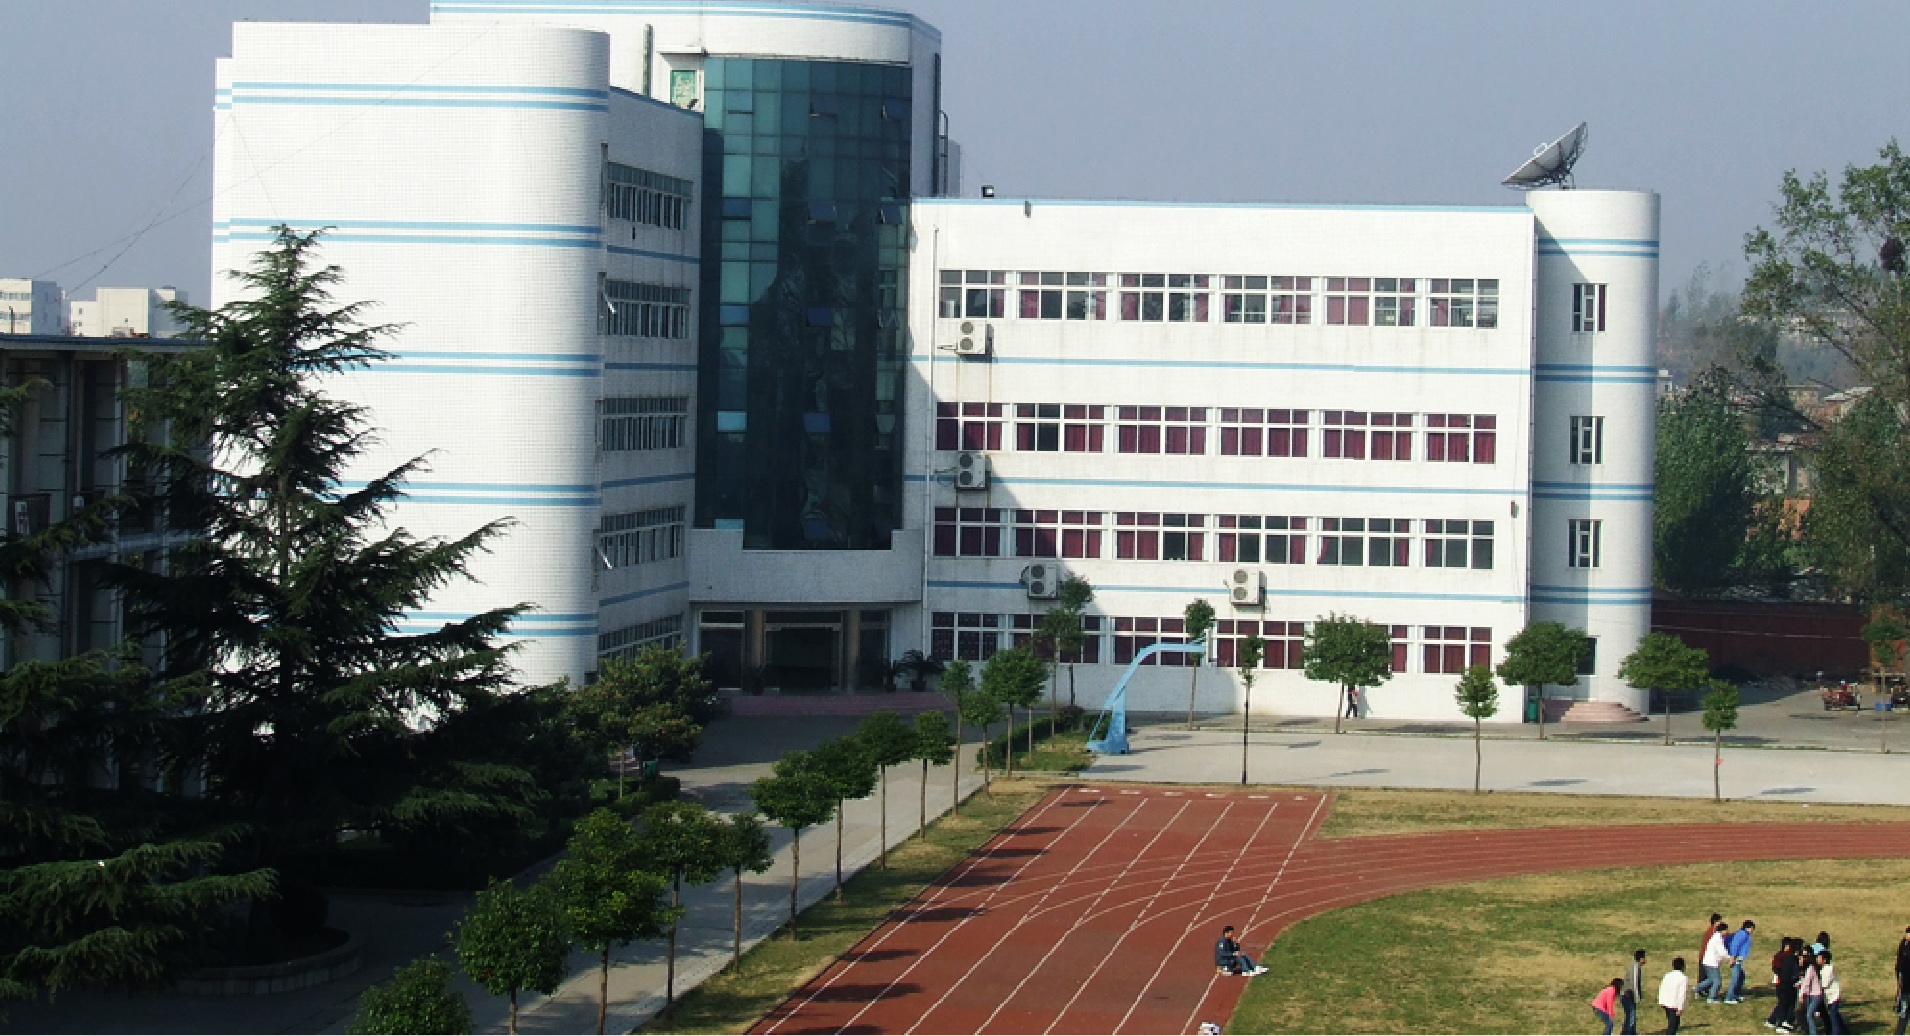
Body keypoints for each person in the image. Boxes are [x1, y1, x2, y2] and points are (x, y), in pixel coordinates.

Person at [1770, 936, 1802, 1032]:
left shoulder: (1786, 957)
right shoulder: (1790, 959)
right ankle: (1781, 1024)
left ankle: (1784, 1022)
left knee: (1787, 1005)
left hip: (1785, 984)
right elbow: (1787, 974)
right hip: (1786, 985)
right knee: (1784, 1005)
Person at [1726, 919, 1757, 1003]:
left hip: (1738, 960)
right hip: (1736, 960)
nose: (1752, 931)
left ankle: (1736, 994)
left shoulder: (1743, 934)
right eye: (1752, 929)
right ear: (1748, 928)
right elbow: (1735, 945)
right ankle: (1729, 998)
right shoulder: (1742, 934)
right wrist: (1733, 958)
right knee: (1735, 979)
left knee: (1741, 976)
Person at [1699, 921, 1730, 1003]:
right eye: (1726, 930)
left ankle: (1696, 988)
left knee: (1710, 980)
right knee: (1717, 982)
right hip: (1711, 963)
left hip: (1707, 962)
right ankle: (1711, 998)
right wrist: (1730, 958)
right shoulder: (1717, 939)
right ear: (1722, 930)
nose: (1727, 932)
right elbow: (1722, 952)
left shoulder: (1716, 937)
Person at [1799, 947, 1826, 1036]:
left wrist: (1801, 994)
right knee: (1810, 1014)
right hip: (1813, 994)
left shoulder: (1811, 968)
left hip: (1815, 995)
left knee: (1809, 1014)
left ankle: (1813, 1033)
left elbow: (1806, 982)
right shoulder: (1815, 968)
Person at [1661, 957, 1690, 1035]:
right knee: (1673, 1026)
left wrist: (1661, 1001)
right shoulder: (1683, 978)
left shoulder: (1667, 975)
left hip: (1666, 1003)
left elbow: (1662, 988)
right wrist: (1680, 1008)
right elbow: (1682, 994)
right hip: (1674, 1005)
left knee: (1672, 1024)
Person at [1819, 949, 1845, 1035]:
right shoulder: (1822, 970)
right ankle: (1845, 1032)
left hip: (1834, 996)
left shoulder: (1829, 969)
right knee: (1836, 1015)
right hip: (1829, 997)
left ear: (1824, 960)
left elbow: (1825, 984)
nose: (1817, 960)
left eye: (1819, 958)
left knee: (1833, 1016)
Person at [1622, 949, 1646, 1035]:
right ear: (1641, 958)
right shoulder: (1635, 967)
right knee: (1631, 1016)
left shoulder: (1636, 966)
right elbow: (1634, 983)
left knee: (1632, 1015)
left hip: (1630, 995)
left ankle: (1632, 1032)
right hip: (1627, 995)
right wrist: (1637, 997)